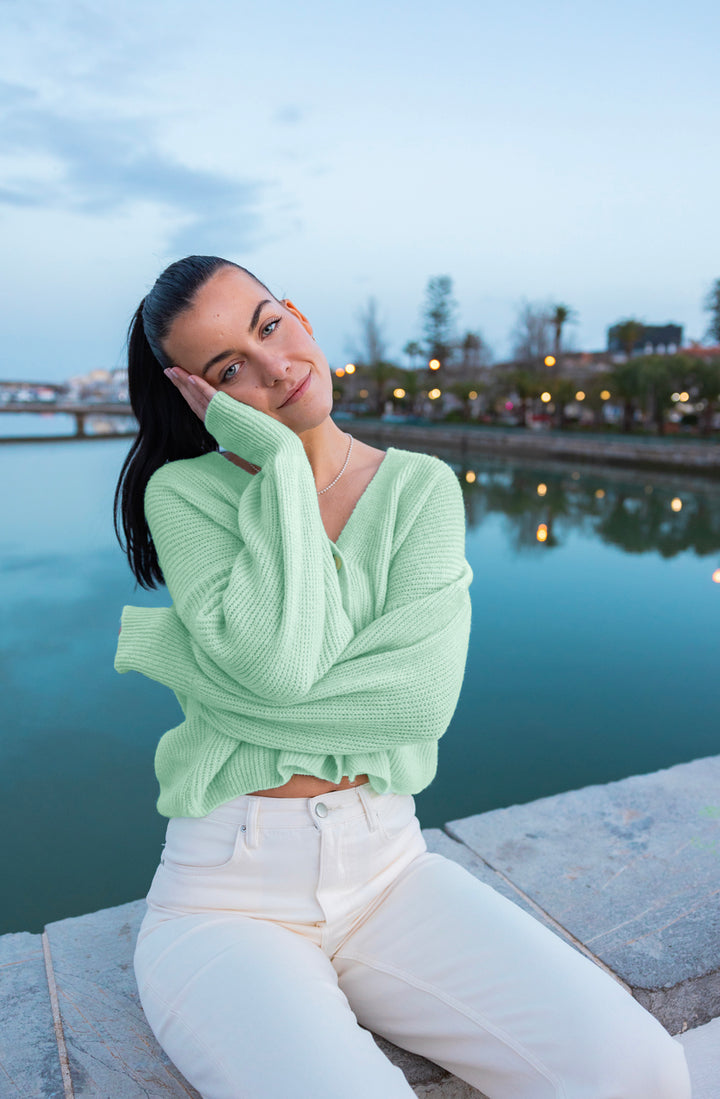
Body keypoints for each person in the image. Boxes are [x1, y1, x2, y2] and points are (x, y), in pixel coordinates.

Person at [113, 255, 690, 1099]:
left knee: (639, 1071)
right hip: (225, 898)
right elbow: (279, 667)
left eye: (269, 324)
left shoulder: (418, 487)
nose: (273, 367)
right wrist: (278, 466)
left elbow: (418, 699)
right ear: (197, 395)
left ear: (298, 315)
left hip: (390, 870)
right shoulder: (187, 494)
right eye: (228, 368)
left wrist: (223, 684)